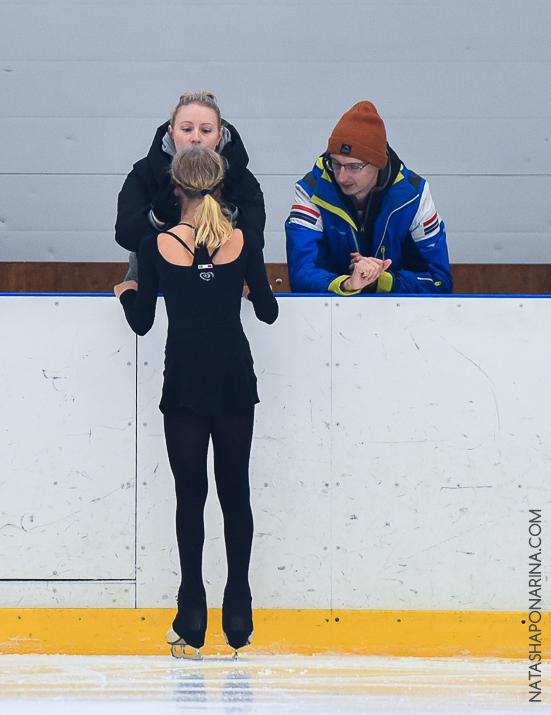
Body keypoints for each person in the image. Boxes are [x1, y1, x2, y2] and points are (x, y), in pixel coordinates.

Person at [115, 146, 278, 658]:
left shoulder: (155, 244)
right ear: (221, 186)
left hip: (185, 381)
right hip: (233, 378)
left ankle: (191, 614)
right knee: (235, 492)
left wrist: (127, 292)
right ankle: (240, 610)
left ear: (175, 188)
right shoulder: (242, 240)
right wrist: (244, 287)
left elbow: (142, 322)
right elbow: (269, 312)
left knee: (191, 496)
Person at [285, 100, 452, 295]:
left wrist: (381, 280)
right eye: (336, 164)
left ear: (378, 163)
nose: (341, 176)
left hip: (399, 310)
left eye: (354, 167)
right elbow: (300, 275)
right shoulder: (312, 190)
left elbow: (440, 282)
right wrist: (348, 284)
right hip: (328, 310)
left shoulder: (414, 195)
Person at [115, 91, 266, 279]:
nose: (196, 138)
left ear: (220, 135)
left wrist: (228, 211)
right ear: (172, 132)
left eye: (206, 131)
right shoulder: (146, 173)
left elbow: (255, 240)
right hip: (153, 283)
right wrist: (158, 216)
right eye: (187, 129)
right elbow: (125, 235)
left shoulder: (240, 177)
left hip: (222, 284)